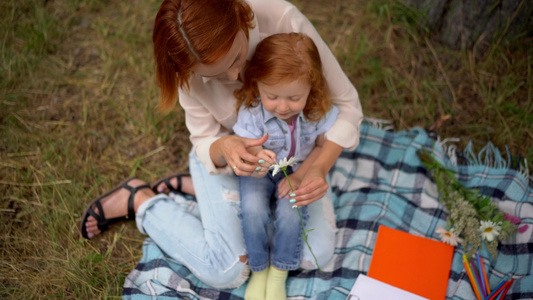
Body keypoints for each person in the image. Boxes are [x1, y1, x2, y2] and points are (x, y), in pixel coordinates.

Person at [81, 0, 363, 292]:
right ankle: (141, 200)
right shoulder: (186, 63)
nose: (233, 77)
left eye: (237, 57)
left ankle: (198, 192)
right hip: (228, 165)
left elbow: (347, 105)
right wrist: (225, 146)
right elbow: (204, 140)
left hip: (297, 160)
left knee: (313, 254)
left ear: (241, 18)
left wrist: (316, 168)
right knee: (226, 271)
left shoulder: (282, 19)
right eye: (213, 75)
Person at [233, 33, 339, 300]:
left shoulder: (315, 111)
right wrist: (258, 154)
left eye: (294, 97)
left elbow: (321, 146)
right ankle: (259, 269)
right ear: (256, 84)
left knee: (292, 210)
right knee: (253, 208)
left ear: (310, 88)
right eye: (272, 96)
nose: (282, 106)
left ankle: (280, 272)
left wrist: (300, 176)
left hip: (299, 167)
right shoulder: (252, 111)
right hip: (260, 170)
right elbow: (246, 144)